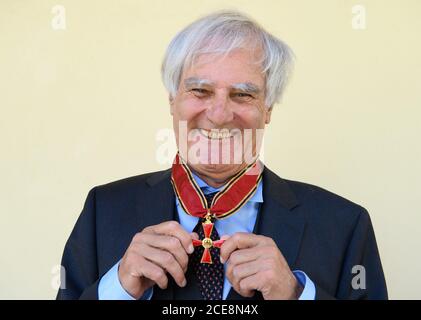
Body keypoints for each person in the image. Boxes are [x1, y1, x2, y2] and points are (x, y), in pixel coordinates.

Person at [57, 10, 387, 300]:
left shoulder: (344, 226)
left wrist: (295, 296)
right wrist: (118, 288)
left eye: (242, 94)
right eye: (200, 90)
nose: (218, 113)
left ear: (267, 108)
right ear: (172, 100)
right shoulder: (104, 211)